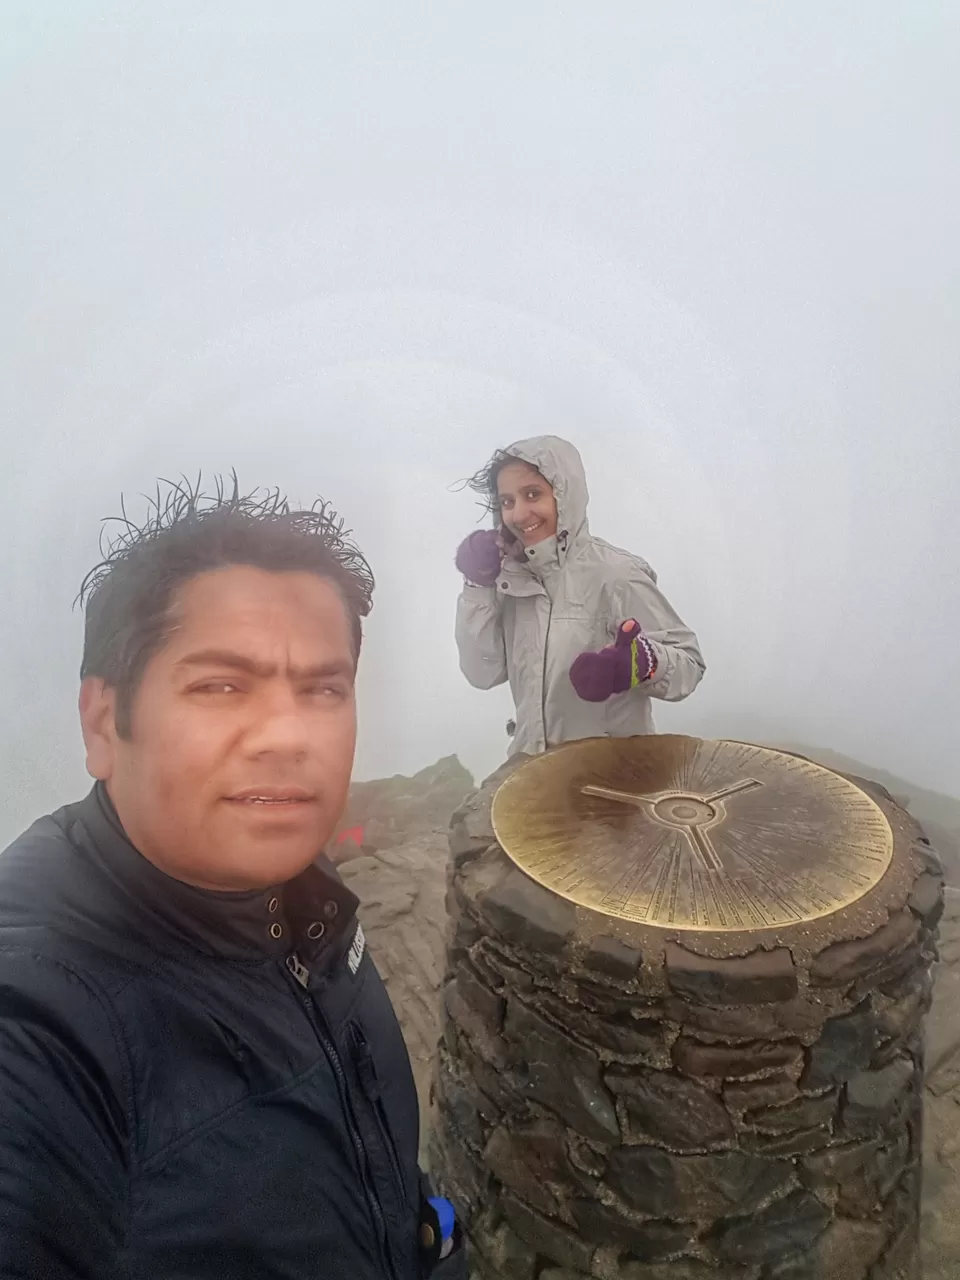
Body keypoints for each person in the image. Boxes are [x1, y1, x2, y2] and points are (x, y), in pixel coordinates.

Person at [0, 481, 464, 1280]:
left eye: (323, 688)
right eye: (220, 685)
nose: (287, 735)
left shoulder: (298, 891)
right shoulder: (43, 1026)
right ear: (103, 722)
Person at [455, 435, 704, 754]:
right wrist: (477, 586)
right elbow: (483, 673)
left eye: (532, 494)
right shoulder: (510, 581)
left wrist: (643, 661)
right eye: (507, 502)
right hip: (532, 771)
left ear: (564, 494)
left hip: (612, 772)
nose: (518, 514)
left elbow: (689, 665)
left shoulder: (616, 573)